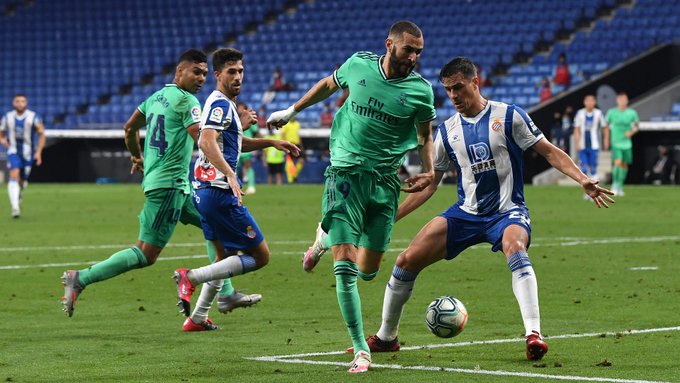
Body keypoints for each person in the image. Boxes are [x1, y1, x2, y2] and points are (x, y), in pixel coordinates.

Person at [346, 57, 614, 361]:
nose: (454, 96)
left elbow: (549, 151)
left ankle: (533, 334)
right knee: (406, 260)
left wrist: (581, 179)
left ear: (476, 82)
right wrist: (389, 218)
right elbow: (431, 185)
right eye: (448, 90)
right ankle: (386, 337)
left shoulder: (509, 116)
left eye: (459, 87)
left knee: (515, 247)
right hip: (466, 213)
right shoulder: (446, 132)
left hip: (507, 211)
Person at [267, 20, 436, 373]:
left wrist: (429, 170)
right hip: (343, 174)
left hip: (386, 182)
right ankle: (361, 348)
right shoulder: (358, 64)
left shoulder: (421, 92)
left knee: (368, 271)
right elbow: (328, 85)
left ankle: (322, 238)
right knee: (345, 267)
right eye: (409, 49)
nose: (415, 57)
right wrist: (292, 111)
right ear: (389, 44)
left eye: (419, 51)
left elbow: (425, 136)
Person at [60, 49, 261, 322]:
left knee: (211, 224)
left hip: (177, 186)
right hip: (170, 187)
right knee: (146, 254)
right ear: (180, 71)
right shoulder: (188, 102)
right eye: (196, 72)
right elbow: (205, 140)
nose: (201, 78)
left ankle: (225, 293)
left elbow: (130, 128)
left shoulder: (155, 98)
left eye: (204, 73)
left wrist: (136, 155)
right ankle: (80, 278)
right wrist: (240, 125)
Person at [172, 48, 299, 331]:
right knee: (261, 256)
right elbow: (206, 141)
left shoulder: (224, 103)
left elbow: (232, 143)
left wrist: (270, 143)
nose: (238, 76)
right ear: (218, 75)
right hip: (218, 192)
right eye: (231, 72)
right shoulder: (220, 104)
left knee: (223, 259)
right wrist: (229, 173)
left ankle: (198, 317)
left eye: (240, 71)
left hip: (204, 191)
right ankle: (189, 278)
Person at [0, 94, 45, 218]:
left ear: (26, 103)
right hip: (13, 151)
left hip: (28, 153)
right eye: (17, 101)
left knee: (22, 181)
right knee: (14, 174)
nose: (20, 104)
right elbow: (1, 131)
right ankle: (15, 208)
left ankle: (19, 193)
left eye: (23, 101)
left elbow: (42, 134)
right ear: (13, 103)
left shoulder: (33, 117)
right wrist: (2, 140)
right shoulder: (7, 117)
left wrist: (39, 152)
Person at [605, 91, 639, 196]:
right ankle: (614, 185)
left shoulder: (632, 113)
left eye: (624, 99)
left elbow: (637, 126)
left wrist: (632, 132)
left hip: (627, 143)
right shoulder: (611, 112)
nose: (622, 101)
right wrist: (606, 139)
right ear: (617, 101)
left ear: (627, 100)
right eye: (620, 99)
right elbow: (606, 126)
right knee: (618, 162)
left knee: (624, 164)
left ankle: (620, 185)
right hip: (616, 142)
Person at [573, 95, 608, 180]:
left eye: (591, 101)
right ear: (584, 102)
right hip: (582, 145)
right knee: (583, 169)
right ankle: (587, 191)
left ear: (595, 102)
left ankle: (594, 189)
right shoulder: (580, 113)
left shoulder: (598, 113)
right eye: (587, 101)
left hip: (594, 145)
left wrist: (606, 140)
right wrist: (577, 143)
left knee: (593, 168)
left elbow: (605, 127)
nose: (589, 103)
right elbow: (576, 129)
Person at [237, 102, 259, 195]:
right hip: (236, 148)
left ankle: (251, 186)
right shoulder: (234, 118)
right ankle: (236, 186)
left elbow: (255, 131)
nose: (240, 110)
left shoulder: (249, 119)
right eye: (239, 108)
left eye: (242, 108)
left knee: (248, 166)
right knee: (233, 169)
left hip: (246, 147)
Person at [281, 116, 304, 183]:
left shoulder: (297, 124)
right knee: (289, 162)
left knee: (301, 160)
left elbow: (298, 135)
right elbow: (283, 135)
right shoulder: (286, 124)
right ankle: (290, 179)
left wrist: (301, 145)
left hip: (297, 144)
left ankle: (294, 175)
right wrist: (284, 144)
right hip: (289, 144)